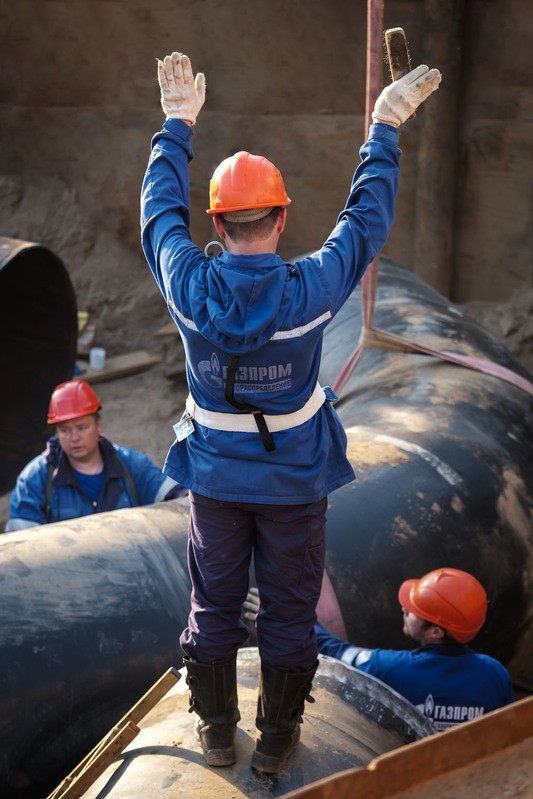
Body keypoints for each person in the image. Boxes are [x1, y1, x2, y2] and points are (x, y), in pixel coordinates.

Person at [140, 50, 441, 772]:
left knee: (212, 608)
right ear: (279, 217)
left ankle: (216, 731)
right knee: (286, 610)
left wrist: (175, 126)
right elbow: (364, 222)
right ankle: (276, 740)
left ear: (217, 219)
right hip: (293, 483)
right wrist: (383, 128)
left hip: (215, 481)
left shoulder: (186, 282)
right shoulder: (311, 289)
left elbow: (157, 215)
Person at [314, 568, 515, 730]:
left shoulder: (388, 669)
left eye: (414, 611)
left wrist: (296, 612)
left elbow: (332, 651)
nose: (404, 609)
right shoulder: (495, 674)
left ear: (436, 632)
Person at [4, 380, 187, 532]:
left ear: (98, 425)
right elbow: (23, 550)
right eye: (65, 430)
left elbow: (178, 500)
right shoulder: (34, 480)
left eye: (82, 428)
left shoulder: (132, 465)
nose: (74, 438)